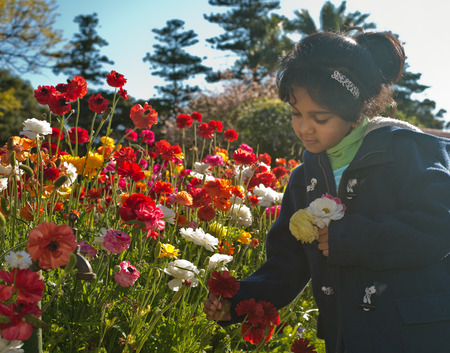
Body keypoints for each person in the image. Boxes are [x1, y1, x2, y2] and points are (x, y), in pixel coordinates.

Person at [203, 29, 450, 353]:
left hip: (417, 336)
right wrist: (239, 300)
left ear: (353, 110)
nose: (304, 128)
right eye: (296, 113)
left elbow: (440, 225)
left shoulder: (406, 152)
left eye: (319, 118)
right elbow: (288, 264)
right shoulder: (305, 179)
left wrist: (352, 238)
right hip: (345, 338)